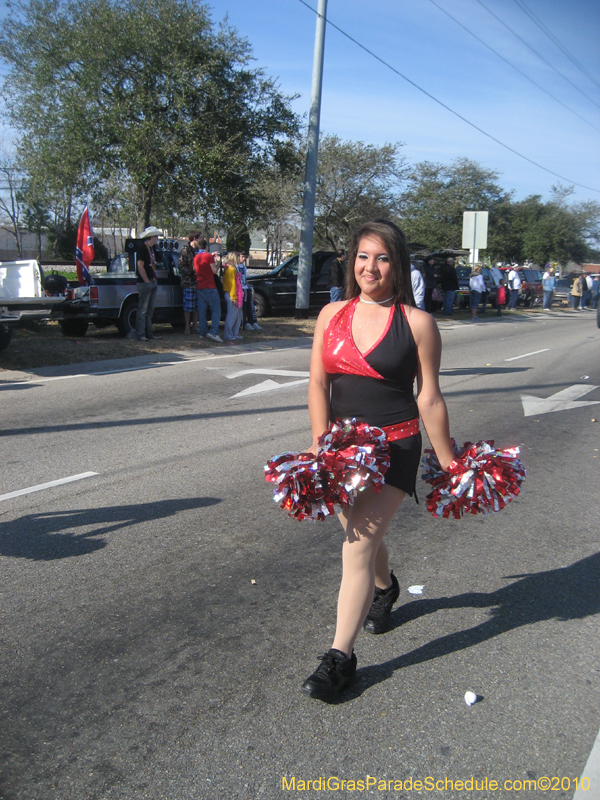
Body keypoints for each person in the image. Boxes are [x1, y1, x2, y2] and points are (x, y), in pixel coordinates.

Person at [301, 219, 456, 701]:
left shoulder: (417, 323)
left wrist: (450, 462)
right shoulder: (331, 314)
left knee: (355, 547)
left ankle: (340, 660)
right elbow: (317, 383)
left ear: (398, 265)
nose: (371, 267)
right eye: (363, 256)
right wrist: (317, 444)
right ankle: (385, 589)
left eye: (383, 257)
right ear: (352, 262)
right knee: (361, 535)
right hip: (343, 450)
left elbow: (429, 397)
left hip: (396, 446)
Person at [134, 226, 161, 341]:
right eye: (156, 237)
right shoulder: (142, 248)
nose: (157, 239)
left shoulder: (151, 249)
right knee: (143, 309)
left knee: (150, 310)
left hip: (152, 279)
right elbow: (140, 266)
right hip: (145, 282)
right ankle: (140, 334)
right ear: (152, 237)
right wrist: (146, 280)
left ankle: (149, 333)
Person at [194, 239, 223, 343]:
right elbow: (214, 271)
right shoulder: (209, 257)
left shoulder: (196, 257)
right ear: (206, 246)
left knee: (202, 311)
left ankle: (202, 332)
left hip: (200, 286)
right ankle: (213, 331)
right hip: (210, 286)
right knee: (215, 309)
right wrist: (218, 262)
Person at [179, 232, 201, 333]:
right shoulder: (185, 250)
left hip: (198, 282)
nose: (201, 240)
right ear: (194, 239)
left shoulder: (199, 250)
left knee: (197, 306)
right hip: (188, 282)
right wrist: (192, 270)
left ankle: (195, 326)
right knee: (188, 306)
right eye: (200, 238)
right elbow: (180, 266)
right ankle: (187, 327)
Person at [238, 253, 261, 331]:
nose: (244, 258)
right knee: (243, 306)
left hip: (245, 288)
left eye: (245, 257)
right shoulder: (236, 267)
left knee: (249, 305)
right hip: (240, 289)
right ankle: (244, 322)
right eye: (242, 257)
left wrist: (247, 285)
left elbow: (245, 278)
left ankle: (253, 321)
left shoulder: (244, 267)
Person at [222, 253, 242, 344]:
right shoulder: (231, 270)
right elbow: (232, 285)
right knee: (231, 316)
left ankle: (234, 333)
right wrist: (234, 298)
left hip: (231, 294)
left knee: (237, 315)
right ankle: (228, 335)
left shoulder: (231, 268)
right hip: (230, 294)